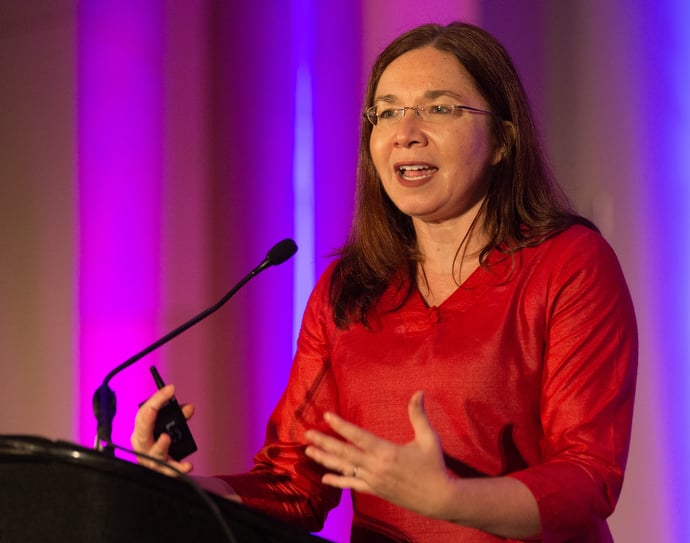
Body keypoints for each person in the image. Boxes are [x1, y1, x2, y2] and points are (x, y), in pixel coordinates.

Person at [132, 21, 637, 543]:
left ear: (503, 140)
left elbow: (587, 476)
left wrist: (449, 500)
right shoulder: (347, 288)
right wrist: (182, 491)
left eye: (440, 108)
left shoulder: (568, 264)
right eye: (388, 111)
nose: (406, 131)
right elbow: (293, 484)